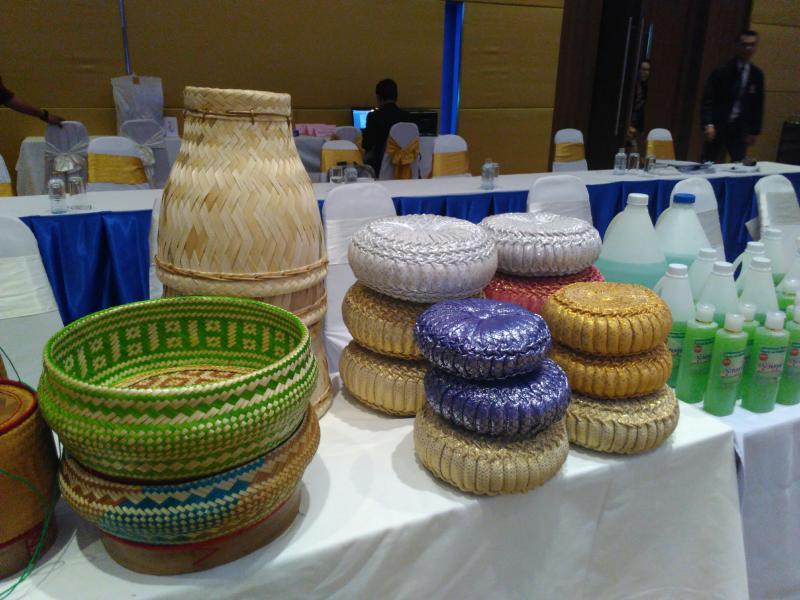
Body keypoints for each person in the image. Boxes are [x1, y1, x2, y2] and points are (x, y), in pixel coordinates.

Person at [700, 30, 764, 162]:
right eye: (744, 44)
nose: (748, 48)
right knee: (708, 161)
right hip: (718, 123)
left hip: (740, 127)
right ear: (737, 46)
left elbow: (758, 105)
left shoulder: (756, 75)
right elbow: (708, 99)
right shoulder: (722, 70)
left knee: (739, 163)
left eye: (752, 45)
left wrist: (754, 131)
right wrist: (708, 123)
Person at [362, 78, 411, 175]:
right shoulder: (408, 117)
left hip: (379, 167)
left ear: (378, 98)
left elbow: (366, 145)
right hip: (404, 165)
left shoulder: (374, 116)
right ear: (396, 96)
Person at [626, 60, 650, 153]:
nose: (645, 72)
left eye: (647, 70)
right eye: (643, 69)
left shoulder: (645, 86)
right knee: (632, 146)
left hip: (636, 122)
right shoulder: (633, 85)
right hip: (628, 120)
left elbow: (641, 107)